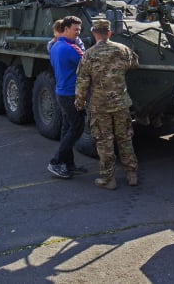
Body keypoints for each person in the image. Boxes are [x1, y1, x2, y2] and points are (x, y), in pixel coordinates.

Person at [75, 18, 139, 189]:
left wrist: (79, 104)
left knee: (104, 142)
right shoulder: (123, 50)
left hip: (99, 105)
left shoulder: (88, 54)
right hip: (121, 103)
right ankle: (132, 174)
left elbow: (82, 83)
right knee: (125, 138)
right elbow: (135, 64)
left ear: (94, 33)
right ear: (109, 33)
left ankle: (108, 179)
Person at [47, 16, 88, 179]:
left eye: (79, 29)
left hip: (62, 92)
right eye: (75, 29)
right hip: (71, 94)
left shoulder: (55, 46)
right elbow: (88, 63)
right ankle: (56, 162)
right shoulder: (71, 48)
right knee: (76, 129)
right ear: (66, 29)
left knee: (67, 130)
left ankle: (69, 164)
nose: (78, 33)